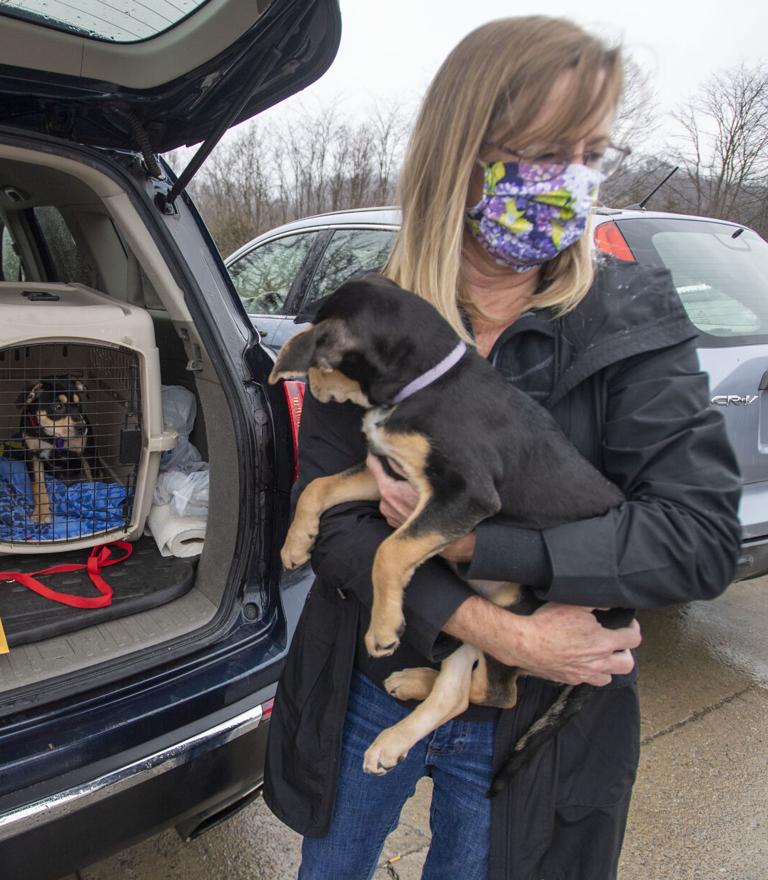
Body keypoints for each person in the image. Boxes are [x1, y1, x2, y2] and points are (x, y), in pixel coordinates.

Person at [262, 15, 742, 880]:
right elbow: (335, 530)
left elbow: (698, 540)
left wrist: (487, 547)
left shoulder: (629, 321)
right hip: (372, 680)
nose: (575, 179)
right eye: (550, 148)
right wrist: (490, 627)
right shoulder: (377, 317)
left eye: (593, 152)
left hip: (536, 726)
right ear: (463, 150)